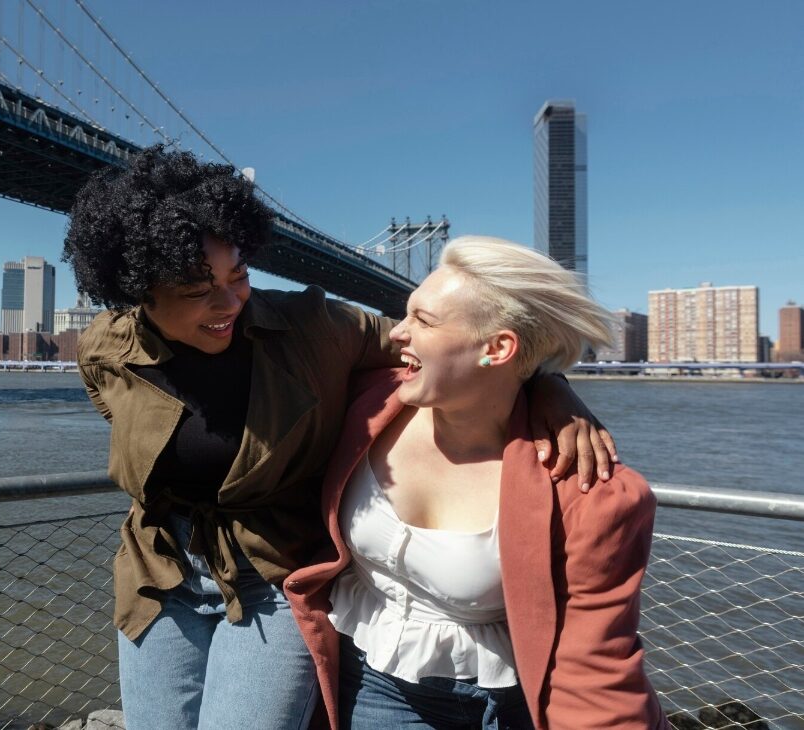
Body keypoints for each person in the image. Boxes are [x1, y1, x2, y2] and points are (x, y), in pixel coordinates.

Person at [64, 148, 618, 730]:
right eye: (198, 289)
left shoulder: (310, 329)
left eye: (239, 277)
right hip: (160, 575)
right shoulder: (104, 349)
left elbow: (446, 350)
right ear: (141, 291)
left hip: (269, 578)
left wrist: (550, 387)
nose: (228, 303)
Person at [286, 236, 668, 730]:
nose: (397, 333)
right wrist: (550, 383)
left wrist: (550, 382)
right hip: (368, 682)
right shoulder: (365, 403)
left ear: (497, 348)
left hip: (505, 705)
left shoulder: (586, 490)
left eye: (423, 320)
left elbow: (594, 670)